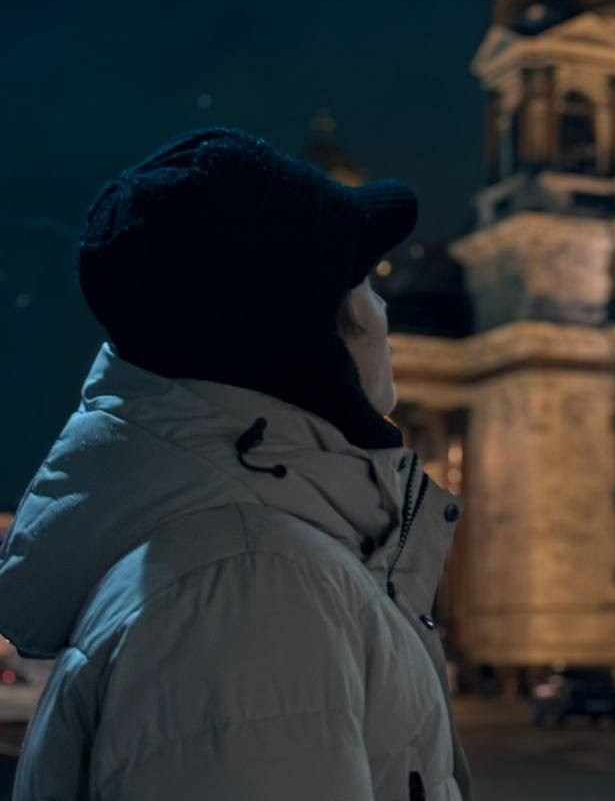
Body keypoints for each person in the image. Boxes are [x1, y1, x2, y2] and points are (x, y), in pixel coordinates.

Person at [0, 127, 471, 801]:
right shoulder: (253, 580)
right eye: (361, 281)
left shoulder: (237, 555)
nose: (383, 309)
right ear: (305, 330)